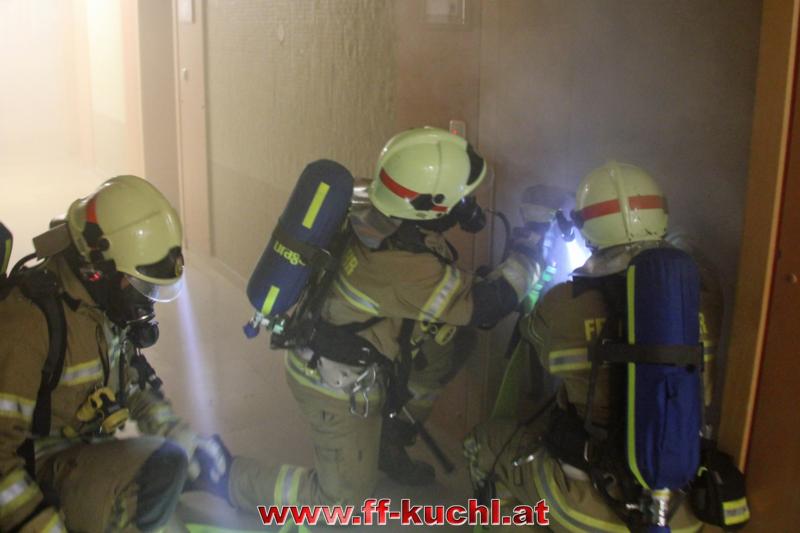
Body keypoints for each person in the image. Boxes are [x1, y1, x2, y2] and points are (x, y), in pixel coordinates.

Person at [225, 127, 557, 511]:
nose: (468, 206)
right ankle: (226, 476)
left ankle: (388, 442)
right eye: (461, 199)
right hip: (331, 382)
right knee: (340, 503)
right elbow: (487, 307)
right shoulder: (404, 268)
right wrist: (533, 246)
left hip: (348, 337)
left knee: (449, 341)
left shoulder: (373, 203)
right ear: (431, 205)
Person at [465, 161, 723, 531]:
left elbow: (531, 336)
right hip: (683, 508)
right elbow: (683, 247)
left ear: (587, 228)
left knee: (487, 442)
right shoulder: (706, 291)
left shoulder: (563, 302)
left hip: (589, 502)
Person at [0, 176, 230, 532]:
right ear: (98, 270)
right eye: (141, 286)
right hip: (34, 467)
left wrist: (180, 435)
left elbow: (132, 383)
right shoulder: (29, 324)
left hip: (78, 447)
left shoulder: (100, 305)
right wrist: (41, 525)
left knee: (168, 464)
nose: (147, 301)